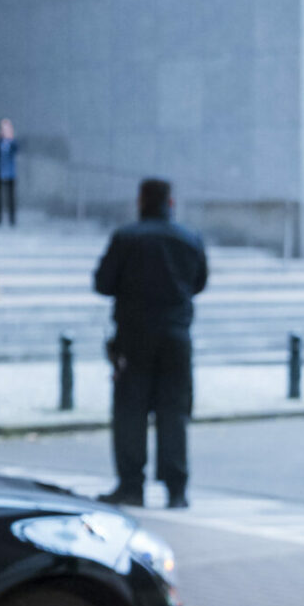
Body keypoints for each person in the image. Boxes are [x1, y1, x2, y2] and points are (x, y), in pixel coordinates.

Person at [93, 177, 207, 509]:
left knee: (131, 414)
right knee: (174, 414)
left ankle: (132, 486)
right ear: (170, 202)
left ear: (141, 201)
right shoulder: (190, 238)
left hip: (134, 337)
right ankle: (176, 489)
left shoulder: (127, 237)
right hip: (176, 337)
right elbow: (199, 282)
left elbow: (103, 282)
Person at [0, 117, 21, 225]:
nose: (5, 130)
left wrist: (10, 140)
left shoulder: (13, 142)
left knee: (11, 197)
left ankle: (12, 220)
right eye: (3, 128)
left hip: (10, 172)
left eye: (7, 128)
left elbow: (16, 150)